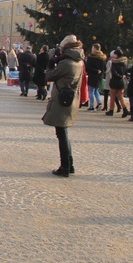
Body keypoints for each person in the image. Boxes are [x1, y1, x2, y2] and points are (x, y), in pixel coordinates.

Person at [42, 35, 84, 177]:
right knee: (63, 133)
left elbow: (49, 76)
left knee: (62, 134)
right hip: (70, 99)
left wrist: (51, 62)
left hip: (62, 101)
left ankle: (65, 166)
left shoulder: (66, 63)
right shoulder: (79, 61)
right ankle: (69, 164)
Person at [105, 50, 129, 117]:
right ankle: (125, 109)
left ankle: (111, 110)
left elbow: (114, 72)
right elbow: (126, 71)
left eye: (114, 54)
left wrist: (119, 76)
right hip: (122, 81)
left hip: (115, 81)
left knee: (112, 96)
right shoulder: (125, 62)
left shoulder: (114, 62)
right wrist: (123, 76)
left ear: (117, 55)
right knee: (120, 96)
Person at [85, 43, 106, 111]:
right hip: (99, 76)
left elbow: (88, 66)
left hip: (92, 75)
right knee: (96, 90)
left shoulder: (91, 57)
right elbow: (104, 68)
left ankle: (91, 106)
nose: (92, 49)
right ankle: (99, 102)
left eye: (92, 48)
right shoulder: (102, 57)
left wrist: (94, 70)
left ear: (95, 48)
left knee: (91, 90)